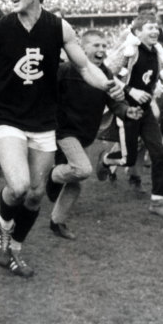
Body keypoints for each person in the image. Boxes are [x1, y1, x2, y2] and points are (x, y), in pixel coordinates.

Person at [0, 0, 123, 277]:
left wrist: (106, 84)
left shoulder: (60, 28)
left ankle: (16, 248)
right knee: (19, 186)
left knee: (35, 194)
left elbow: (85, 66)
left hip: (44, 120)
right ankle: (2, 227)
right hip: (8, 117)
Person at [46, 29, 141, 239]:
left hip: (86, 134)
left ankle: (57, 222)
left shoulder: (105, 74)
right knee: (82, 170)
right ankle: (52, 176)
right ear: (81, 48)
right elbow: (47, 96)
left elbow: (115, 102)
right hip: (65, 132)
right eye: (96, 45)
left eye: (104, 46)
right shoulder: (65, 70)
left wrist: (127, 111)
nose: (101, 50)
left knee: (75, 185)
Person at [97, 14, 163, 218]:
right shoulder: (129, 51)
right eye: (150, 27)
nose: (155, 31)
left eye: (156, 27)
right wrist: (131, 91)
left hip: (146, 110)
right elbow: (107, 74)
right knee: (128, 159)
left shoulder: (157, 52)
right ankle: (105, 160)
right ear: (138, 32)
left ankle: (157, 202)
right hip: (127, 109)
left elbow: (155, 79)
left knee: (159, 154)